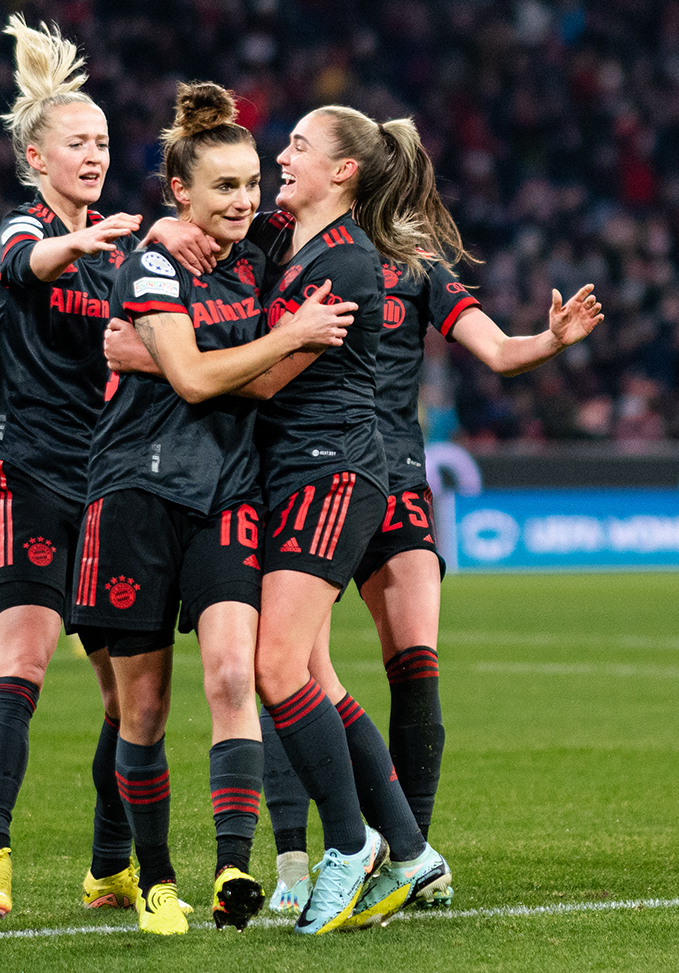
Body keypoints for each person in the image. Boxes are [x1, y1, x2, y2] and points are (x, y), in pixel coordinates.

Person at [70, 82, 357, 934]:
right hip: (134, 492)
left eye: (250, 185)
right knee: (144, 710)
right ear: (179, 194)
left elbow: (303, 229)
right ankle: (155, 877)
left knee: (235, 674)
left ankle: (235, 867)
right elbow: (196, 377)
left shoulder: (261, 250)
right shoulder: (151, 262)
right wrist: (290, 335)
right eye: (223, 187)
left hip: (228, 492)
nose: (245, 201)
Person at [0, 15, 210, 919]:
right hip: (22, 463)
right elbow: (24, 260)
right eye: (78, 142)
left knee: (125, 692)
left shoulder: (124, 246)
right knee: (20, 661)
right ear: (37, 154)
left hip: (103, 477)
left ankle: (107, 866)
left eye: (103, 141)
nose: (94, 153)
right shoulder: (30, 228)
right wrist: (78, 247)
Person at [262, 254, 603, 915]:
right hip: (312, 469)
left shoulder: (418, 268)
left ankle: (410, 853)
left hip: (397, 477)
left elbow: (501, 350)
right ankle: (294, 863)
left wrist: (552, 339)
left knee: (416, 662)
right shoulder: (289, 242)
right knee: (295, 662)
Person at [241, 105, 461, 935]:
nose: (279, 155)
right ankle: (409, 852)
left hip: (331, 473)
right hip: (288, 474)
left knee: (278, 665)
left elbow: (263, 383)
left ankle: (349, 847)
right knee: (314, 677)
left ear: (343, 172)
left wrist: (164, 355)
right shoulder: (282, 240)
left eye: (298, 145)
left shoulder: (347, 263)